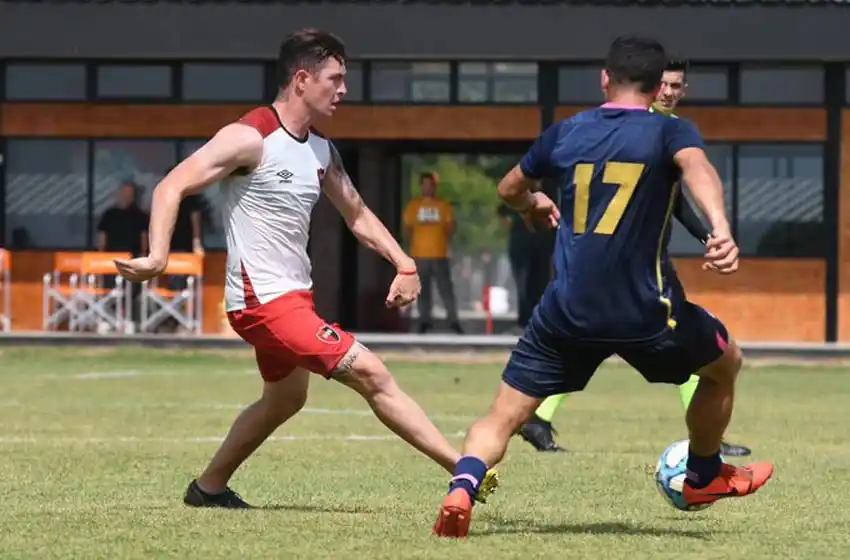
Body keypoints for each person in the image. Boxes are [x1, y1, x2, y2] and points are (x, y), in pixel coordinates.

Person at [114, 27, 497, 509]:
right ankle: (464, 469)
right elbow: (171, 185)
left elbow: (356, 213)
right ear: (301, 79)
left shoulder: (320, 149)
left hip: (294, 297)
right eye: (334, 79)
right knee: (371, 372)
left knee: (285, 399)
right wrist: (158, 255)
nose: (343, 90)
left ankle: (207, 488)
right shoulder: (248, 137)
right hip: (262, 302)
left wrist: (404, 263)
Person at [432, 35, 773, 538]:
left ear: (604, 79)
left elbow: (509, 187)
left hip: (566, 310)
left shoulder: (566, 132)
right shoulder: (669, 131)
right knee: (725, 365)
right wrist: (720, 226)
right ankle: (703, 475)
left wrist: (531, 204)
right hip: (644, 309)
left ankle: (463, 486)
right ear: (658, 87)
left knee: (501, 416)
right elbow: (697, 168)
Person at [518, 58, 753, 458]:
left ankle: (535, 416)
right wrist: (711, 233)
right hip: (616, 263)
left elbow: (674, 200)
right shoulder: (646, 128)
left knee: (594, 343)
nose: (670, 92)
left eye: (677, 86)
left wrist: (710, 234)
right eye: (665, 84)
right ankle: (706, 440)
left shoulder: (668, 128)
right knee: (681, 338)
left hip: (638, 261)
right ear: (650, 85)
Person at [402, 172, 463, 334]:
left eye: (431, 185)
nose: (428, 188)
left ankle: (453, 320)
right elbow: (407, 227)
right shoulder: (413, 206)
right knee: (423, 290)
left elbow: (450, 227)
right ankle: (424, 320)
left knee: (445, 289)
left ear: (435, 187)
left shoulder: (443, 205)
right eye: (425, 184)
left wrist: (441, 241)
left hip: (439, 254)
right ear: (421, 186)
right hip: (419, 254)